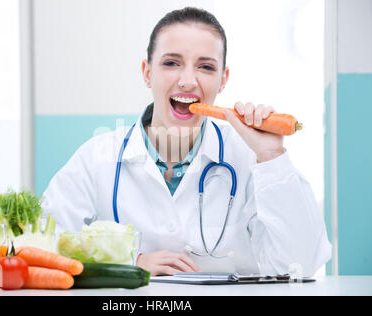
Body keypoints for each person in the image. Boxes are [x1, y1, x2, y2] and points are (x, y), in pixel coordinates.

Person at [41, 7, 331, 277]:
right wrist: (129, 263)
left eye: (206, 67)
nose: (188, 81)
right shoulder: (95, 158)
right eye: (171, 63)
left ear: (223, 79)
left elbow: (300, 265)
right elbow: (41, 247)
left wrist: (271, 156)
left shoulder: (250, 159)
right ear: (147, 72)